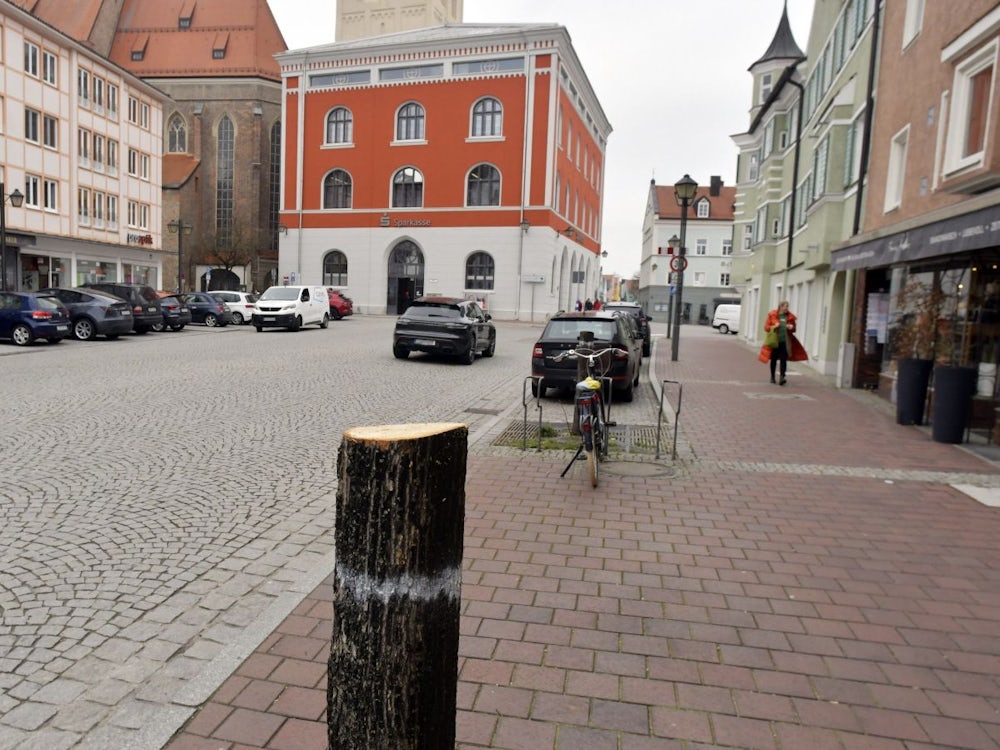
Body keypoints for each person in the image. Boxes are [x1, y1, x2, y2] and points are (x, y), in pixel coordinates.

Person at [758, 300, 808, 384]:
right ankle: (772, 377)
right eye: (785, 306)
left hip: (785, 341)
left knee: (783, 359)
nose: (787, 308)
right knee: (773, 359)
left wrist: (791, 327)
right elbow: (766, 328)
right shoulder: (773, 315)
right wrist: (774, 326)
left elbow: (794, 329)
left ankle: (782, 377)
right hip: (774, 341)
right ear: (780, 307)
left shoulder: (790, 317)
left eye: (787, 306)